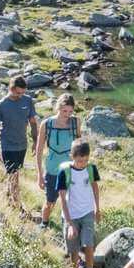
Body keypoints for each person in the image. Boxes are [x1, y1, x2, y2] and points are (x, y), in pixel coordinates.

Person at [52, 138, 103, 268]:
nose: (83, 163)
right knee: (73, 249)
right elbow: (62, 199)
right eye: (80, 160)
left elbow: (95, 187)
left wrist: (97, 208)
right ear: (72, 157)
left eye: (86, 160)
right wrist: (69, 223)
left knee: (89, 244)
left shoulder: (91, 169)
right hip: (71, 215)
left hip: (87, 212)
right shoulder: (64, 172)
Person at [0, 77, 39, 216]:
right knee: (14, 175)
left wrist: (35, 141)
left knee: (15, 173)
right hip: (7, 145)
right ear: (11, 89)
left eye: (22, 93)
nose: (20, 96)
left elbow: (33, 122)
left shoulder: (28, 101)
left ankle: (8, 196)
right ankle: (18, 207)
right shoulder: (1, 105)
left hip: (22, 145)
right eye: (18, 93)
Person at [36, 94, 81, 227]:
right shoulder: (47, 124)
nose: (67, 114)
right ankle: (44, 223)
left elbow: (80, 146)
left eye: (70, 111)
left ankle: (68, 226)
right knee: (50, 201)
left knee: (70, 201)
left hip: (71, 169)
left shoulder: (75, 122)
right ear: (58, 108)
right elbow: (39, 150)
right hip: (53, 169)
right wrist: (39, 174)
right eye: (64, 111)